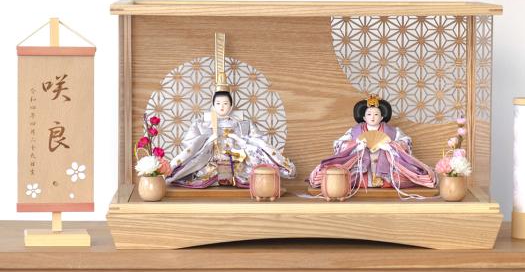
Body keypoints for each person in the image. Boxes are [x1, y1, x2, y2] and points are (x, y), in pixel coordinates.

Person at [167, 78, 295, 188]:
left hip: (238, 165)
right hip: (211, 165)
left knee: (255, 173)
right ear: (213, 105)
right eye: (218, 103)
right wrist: (208, 140)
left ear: (231, 105)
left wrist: (242, 140)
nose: (222, 106)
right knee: (200, 174)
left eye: (225, 103)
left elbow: (259, 141)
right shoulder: (202, 124)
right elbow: (189, 144)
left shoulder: (243, 124)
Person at [308, 95, 436, 193]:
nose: (372, 117)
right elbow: (339, 144)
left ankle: (385, 180)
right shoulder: (355, 131)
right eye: (369, 114)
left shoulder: (393, 131)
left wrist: (391, 146)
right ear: (364, 117)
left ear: (382, 117)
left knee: (403, 177)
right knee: (340, 179)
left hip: (387, 164)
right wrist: (355, 145)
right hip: (361, 166)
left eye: (376, 114)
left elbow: (406, 142)